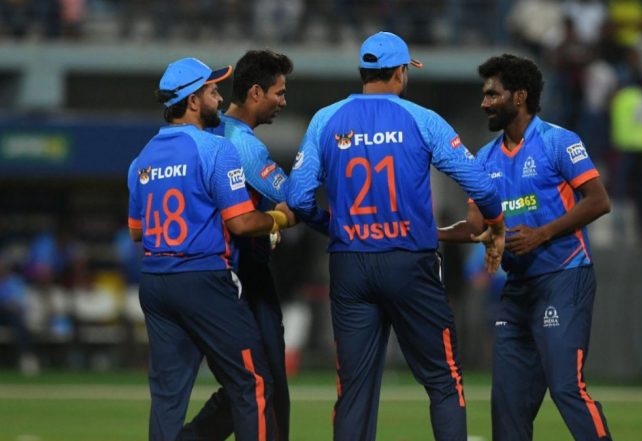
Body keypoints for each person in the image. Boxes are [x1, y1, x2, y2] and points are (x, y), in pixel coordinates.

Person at [286, 31, 506, 441]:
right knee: (443, 380)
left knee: (354, 390)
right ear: (400, 72)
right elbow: (482, 186)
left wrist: (331, 224)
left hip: (350, 262)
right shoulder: (421, 119)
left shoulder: (325, 119)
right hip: (410, 262)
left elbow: (297, 198)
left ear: (364, 72)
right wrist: (496, 225)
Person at [439, 54, 613, 441]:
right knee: (508, 405)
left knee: (567, 388)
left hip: (564, 278)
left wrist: (543, 233)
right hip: (517, 290)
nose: (484, 102)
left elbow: (599, 200)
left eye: (492, 94)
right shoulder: (483, 159)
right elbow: (474, 227)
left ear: (519, 97)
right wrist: (424, 232)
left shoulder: (558, 142)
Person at [127, 57, 291, 441]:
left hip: (154, 281)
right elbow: (243, 223)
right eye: (213, 91)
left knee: (168, 396)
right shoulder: (215, 150)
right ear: (193, 101)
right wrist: (281, 219)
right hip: (203, 279)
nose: (220, 98)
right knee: (253, 382)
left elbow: (137, 231)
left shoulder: (141, 160)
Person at [181, 49, 327, 441]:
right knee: (268, 381)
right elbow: (296, 200)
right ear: (256, 92)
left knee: (244, 383)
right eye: (279, 93)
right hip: (246, 274)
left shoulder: (206, 132)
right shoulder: (241, 144)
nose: (283, 101)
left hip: (205, 271)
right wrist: (341, 228)